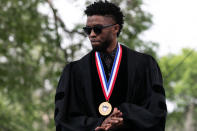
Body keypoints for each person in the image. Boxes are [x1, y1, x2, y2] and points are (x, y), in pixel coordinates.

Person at [54, 0, 167, 131]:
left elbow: (156, 115)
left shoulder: (144, 65)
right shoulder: (73, 72)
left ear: (115, 28)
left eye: (97, 29)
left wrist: (124, 115)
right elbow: (64, 120)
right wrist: (98, 124)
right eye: (87, 30)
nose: (91, 34)